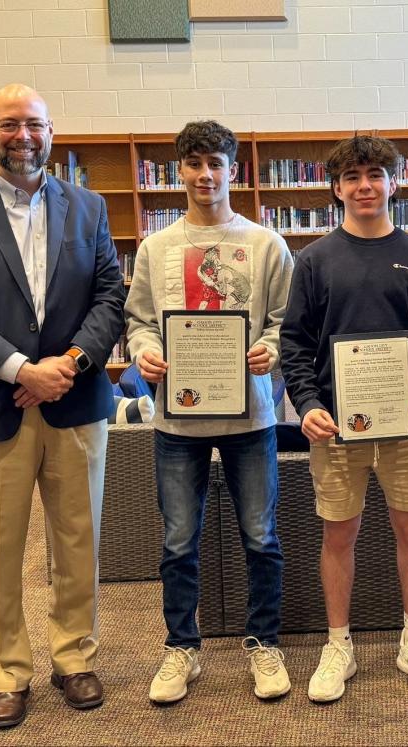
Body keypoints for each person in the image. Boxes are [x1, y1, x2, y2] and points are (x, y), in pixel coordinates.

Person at [0, 84, 126, 728]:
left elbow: (109, 299)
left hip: (75, 398)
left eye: (33, 125)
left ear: (52, 131)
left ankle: (75, 657)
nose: (23, 137)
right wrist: (23, 371)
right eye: (10, 125)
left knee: (79, 540)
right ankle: (7, 672)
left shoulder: (88, 206)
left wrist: (67, 366)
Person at [280, 135, 408, 703]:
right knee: (340, 532)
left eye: (375, 174)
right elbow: (295, 343)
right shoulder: (313, 260)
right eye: (353, 177)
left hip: (406, 424)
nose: (364, 186)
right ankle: (339, 645)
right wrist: (307, 405)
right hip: (337, 425)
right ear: (336, 188)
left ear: (394, 183)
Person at [124, 120, 294, 704]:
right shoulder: (156, 248)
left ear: (233, 170)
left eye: (215, 163)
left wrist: (268, 350)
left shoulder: (267, 245)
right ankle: (182, 648)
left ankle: (263, 643)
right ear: (179, 171)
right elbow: (140, 323)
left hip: (250, 417)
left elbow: (284, 325)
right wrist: (146, 354)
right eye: (194, 164)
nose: (205, 175)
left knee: (260, 535)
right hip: (177, 420)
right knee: (177, 539)